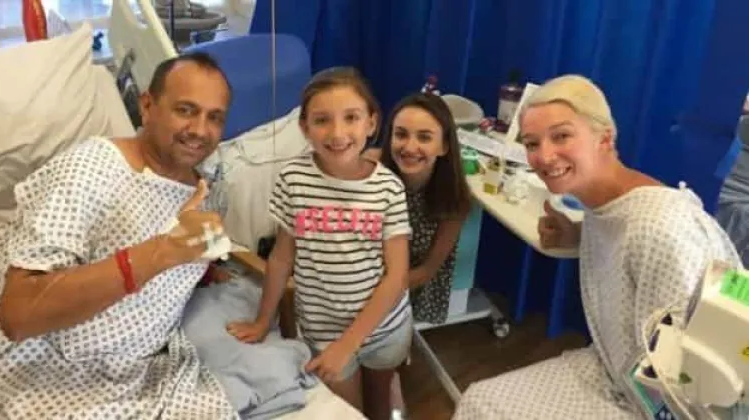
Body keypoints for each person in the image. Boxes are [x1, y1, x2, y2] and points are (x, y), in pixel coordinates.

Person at [0, 53, 240, 419]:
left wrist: (205, 269)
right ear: (147, 106)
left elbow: (188, 262)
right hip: (44, 368)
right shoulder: (89, 170)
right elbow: (19, 315)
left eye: (215, 117)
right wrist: (162, 252)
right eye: (185, 110)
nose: (200, 130)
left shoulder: (208, 187)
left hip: (145, 368)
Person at [453, 74, 741, 419]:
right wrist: (576, 235)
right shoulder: (608, 204)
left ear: (604, 138)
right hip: (614, 369)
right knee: (478, 401)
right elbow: (620, 237)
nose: (544, 156)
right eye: (531, 144)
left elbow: (690, 381)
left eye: (561, 136)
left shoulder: (661, 228)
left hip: (659, 404)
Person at [227, 67, 412, 420]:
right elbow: (281, 259)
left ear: (372, 123)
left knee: (380, 403)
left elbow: (397, 276)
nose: (337, 133)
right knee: (347, 412)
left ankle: (392, 399)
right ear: (305, 127)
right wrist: (263, 320)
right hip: (323, 330)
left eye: (351, 117)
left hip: (384, 329)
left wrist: (349, 344)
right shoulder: (293, 179)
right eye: (322, 120)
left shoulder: (388, 188)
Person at [372, 92, 472, 416]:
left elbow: (428, 270)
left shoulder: (453, 199)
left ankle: (391, 373)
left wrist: (381, 293)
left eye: (425, 137)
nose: (409, 146)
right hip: (366, 269)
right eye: (401, 134)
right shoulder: (371, 167)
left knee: (383, 348)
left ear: (444, 146)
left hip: (408, 280)